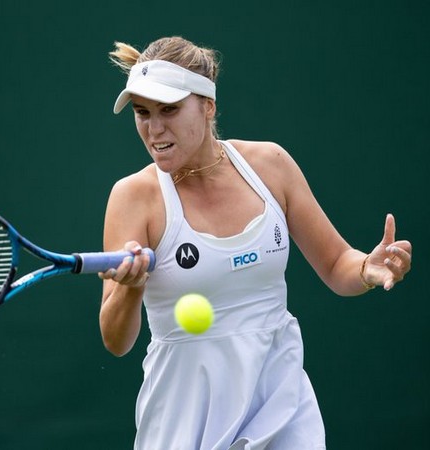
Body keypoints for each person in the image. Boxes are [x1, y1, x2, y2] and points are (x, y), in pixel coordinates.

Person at [97, 36, 412, 450]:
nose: (154, 129)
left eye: (169, 110)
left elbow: (337, 264)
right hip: (183, 418)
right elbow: (116, 341)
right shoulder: (134, 196)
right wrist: (130, 287)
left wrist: (366, 269)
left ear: (208, 105)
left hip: (280, 411)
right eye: (142, 113)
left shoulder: (270, 166)